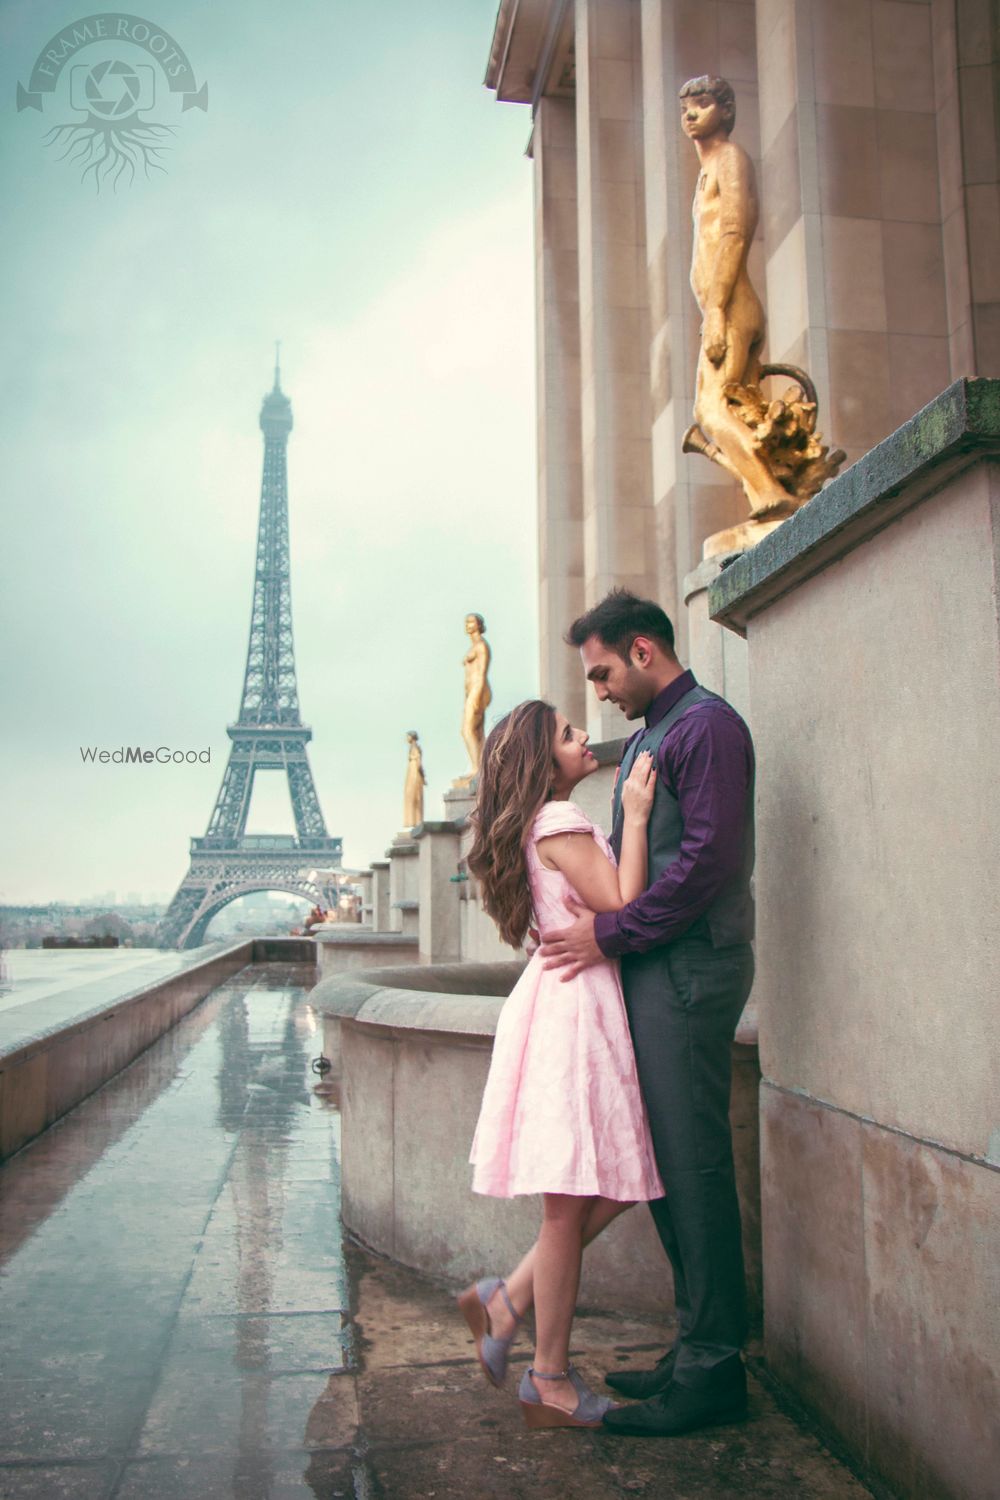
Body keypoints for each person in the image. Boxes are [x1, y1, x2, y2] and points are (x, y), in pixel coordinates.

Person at [540, 588, 756, 1437]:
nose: (596, 690)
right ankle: (698, 1344)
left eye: (600, 672)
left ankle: (713, 1371)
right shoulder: (650, 739)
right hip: (659, 971)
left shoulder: (706, 727)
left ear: (641, 650)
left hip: (690, 972)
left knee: (694, 1163)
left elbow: (708, 865)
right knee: (672, 1163)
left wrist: (610, 933)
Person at [459, 699, 664, 1429]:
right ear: (544, 763)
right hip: (576, 1012)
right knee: (574, 1197)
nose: (585, 739)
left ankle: (507, 1301)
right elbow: (623, 902)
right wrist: (635, 817)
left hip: (559, 1003)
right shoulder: (558, 823)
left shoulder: (538, 828)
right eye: (570, 735)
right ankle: (546, 1375)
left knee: (598, 1188)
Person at [460, 613, 492, 779]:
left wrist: (476, 695)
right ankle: (480, 767)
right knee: (476, 731)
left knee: (467, 729)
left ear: (479, 624)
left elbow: (481, 673)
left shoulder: (481, 646)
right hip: (471, 691)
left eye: (471, 622)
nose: (467, 625)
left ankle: (476, 767)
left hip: (477, 690)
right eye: (466, 622)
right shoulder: (475, 646)